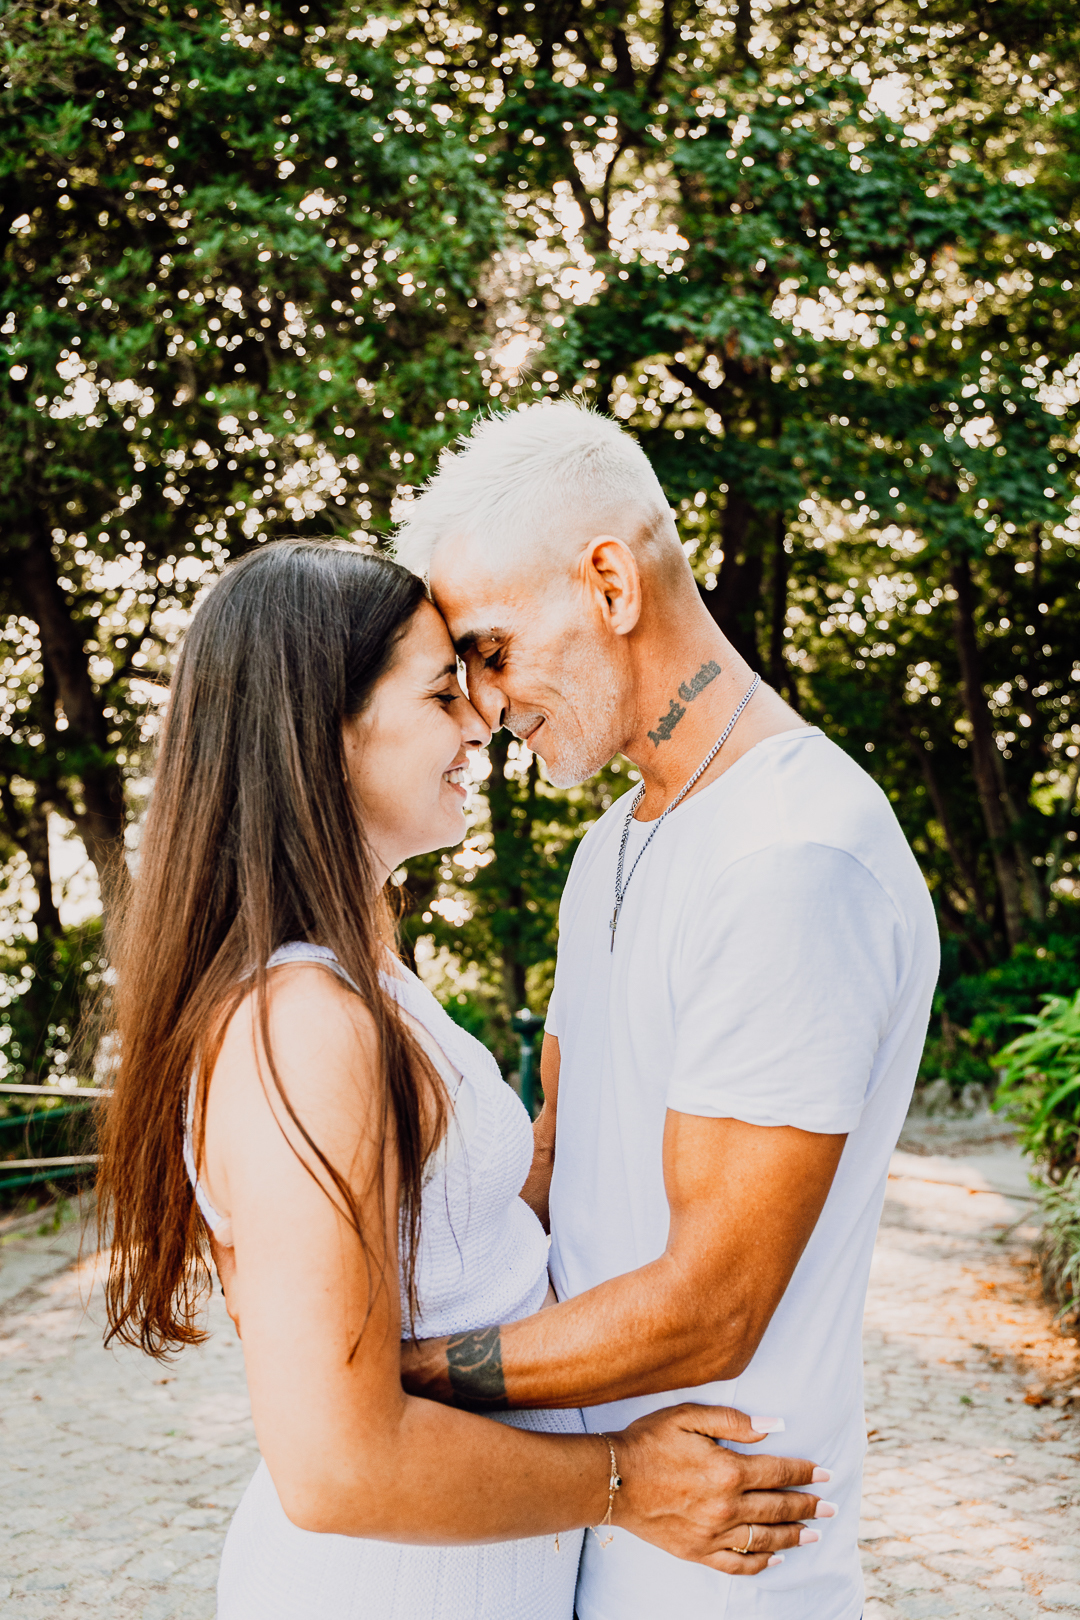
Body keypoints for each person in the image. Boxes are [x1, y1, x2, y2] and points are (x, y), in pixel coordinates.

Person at [96, 540, 827, 1620]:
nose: (483, 721)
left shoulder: (367, 982)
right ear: (324, 731)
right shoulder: (300, 1021)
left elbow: (464, 1247)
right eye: (444, 692)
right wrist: (626, 1482)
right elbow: (335, 1463)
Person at [394, 402, 940, 1620]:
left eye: (490, 650)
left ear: (608, 581)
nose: (482, 707)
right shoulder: (612, 847)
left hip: (725, 1562)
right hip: (584, 1526)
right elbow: (554, 1162)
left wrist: (396, 1375)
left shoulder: (796, 853)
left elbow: (712, 1303)